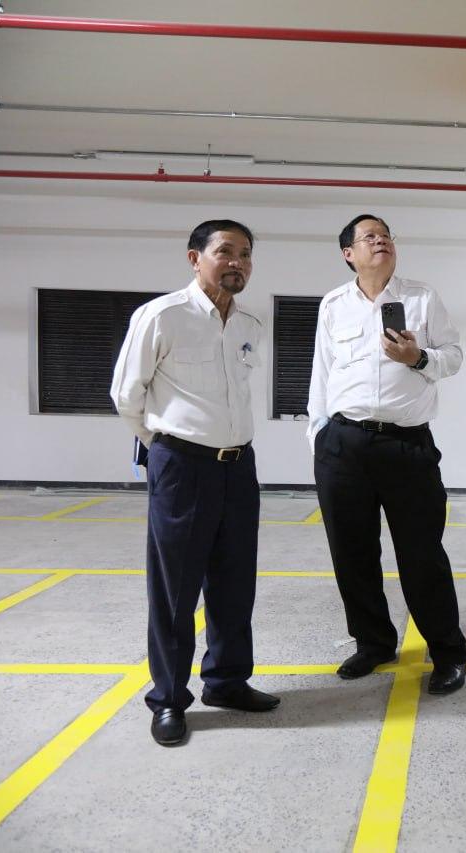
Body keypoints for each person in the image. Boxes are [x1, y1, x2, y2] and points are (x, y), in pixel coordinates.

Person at [111, 219, 280, 747]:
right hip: (183, 466)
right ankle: (168, 699)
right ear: (195, 258)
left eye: (245, 254)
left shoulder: (250, 323)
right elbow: (126, 395)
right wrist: (166, 446)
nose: (237, 263)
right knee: (175, 589)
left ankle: (227, 682)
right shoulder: (161, 316)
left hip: (239, 466)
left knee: (235, 581)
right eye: (225, 251)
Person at [307, 214, 466, 695]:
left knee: (422, 556)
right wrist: (319, 437)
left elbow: (454, 356)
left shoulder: (421, 298)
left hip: (406, 446)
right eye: (369, 237)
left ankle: (448, 653)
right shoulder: (333, 304)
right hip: (343, 444)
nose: (381, 242)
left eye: (385, 236)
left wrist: (417, 358)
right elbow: (321, 373)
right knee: (352, 553)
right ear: (348, 253)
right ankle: (374, 642)